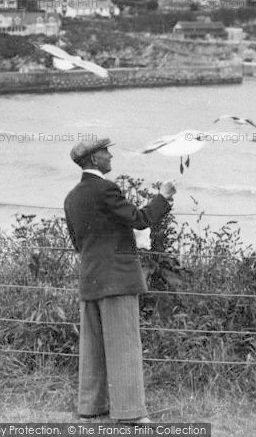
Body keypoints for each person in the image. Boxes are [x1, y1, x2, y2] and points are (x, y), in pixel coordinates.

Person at [64, 137, 176, 424]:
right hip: (118, 278)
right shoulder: (106, 189)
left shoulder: (72, 197)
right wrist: (163, 197)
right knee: (125, 344)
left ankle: (91, 406)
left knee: (93, 346)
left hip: (90, 277)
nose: (110, 155)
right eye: (105, 152)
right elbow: (139, 219)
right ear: (93, 160)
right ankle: (130, 414)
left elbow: (78, 243)